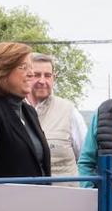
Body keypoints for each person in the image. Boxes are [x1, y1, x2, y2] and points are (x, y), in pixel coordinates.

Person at [0, 42, 50, 181]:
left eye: (31, 67)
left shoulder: (28, 111)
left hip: (38, 200)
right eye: (23, 67)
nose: (31, 73)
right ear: (2, 72)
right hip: (3, 201)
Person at [27, 53, 86, 182]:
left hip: (64, 197)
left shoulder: (69, 112)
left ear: (54, 78)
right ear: (27, 76)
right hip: (26, 195)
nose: (42, 81)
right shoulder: (14, 112)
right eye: (37, 75)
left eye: (47, 76)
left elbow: (85, 159)